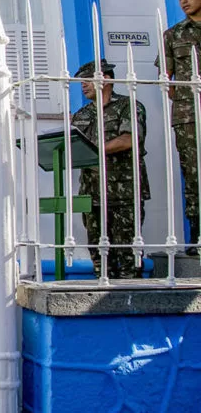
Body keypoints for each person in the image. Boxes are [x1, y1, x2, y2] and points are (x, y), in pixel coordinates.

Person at [71, 59, 150, 279]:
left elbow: (129, 139)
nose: (83, 86)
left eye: (87, 80)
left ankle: (129, 299)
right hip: (92, 192)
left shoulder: (129, 106)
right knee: (99, 255)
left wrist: (93, 149)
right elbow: (74, 147)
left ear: (105, 79)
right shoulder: (82, 114)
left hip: (124, 192)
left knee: (127, 255)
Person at [156, 0, 201, 255]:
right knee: (194, 173)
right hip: (189, 116)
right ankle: (198, 235)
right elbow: (166, 79)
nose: (183, 0)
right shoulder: (174, 35)